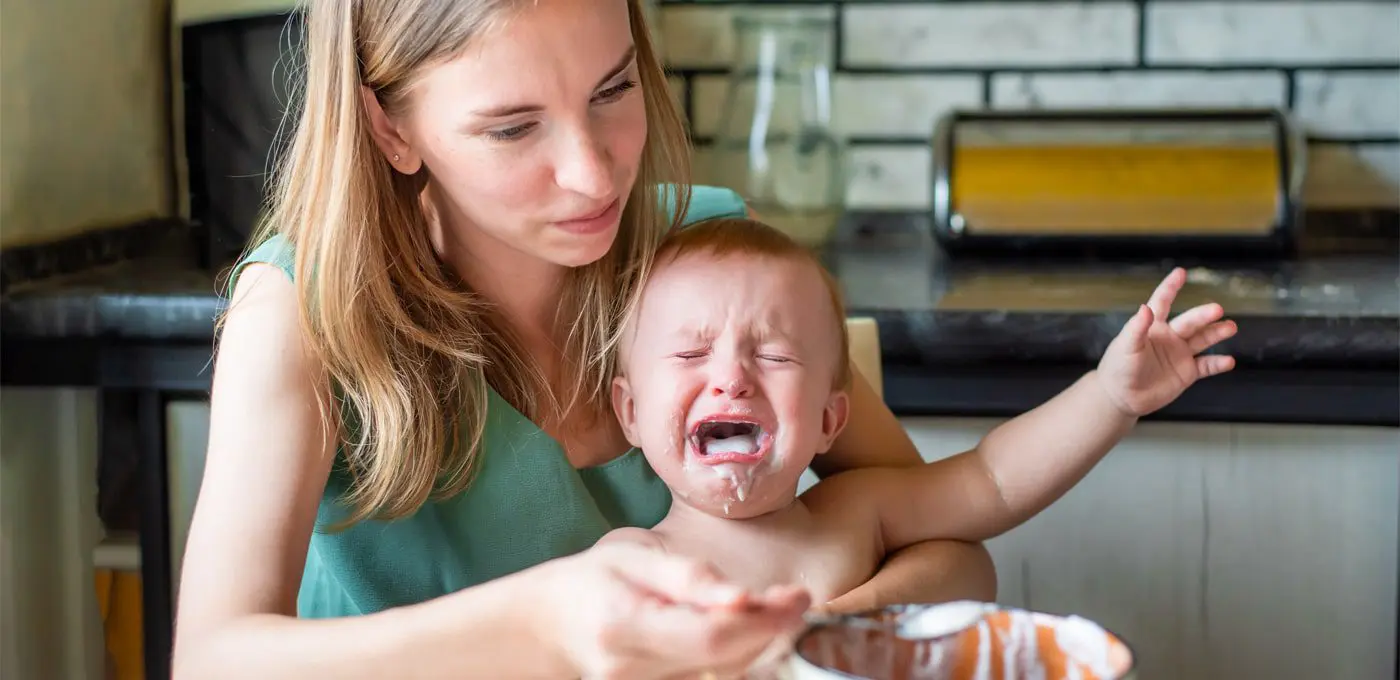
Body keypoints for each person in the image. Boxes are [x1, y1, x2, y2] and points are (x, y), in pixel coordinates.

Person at [171, 1, 995, 678]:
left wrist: (797, 638)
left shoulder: (711, 261)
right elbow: (213, 661)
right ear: (390, 130)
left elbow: (954, 558)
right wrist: (544, 623)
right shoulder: (300, 314)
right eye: (513, 129)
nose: (595, 176)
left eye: (613, 89)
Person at [601, 217, 1237, 616]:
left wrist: (1109, 397)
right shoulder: (631, 564)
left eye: (772, 354)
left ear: (830, 420)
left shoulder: (857, 512)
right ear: (630, 412)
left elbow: (993, 480)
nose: (732, 378)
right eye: (690, 353)